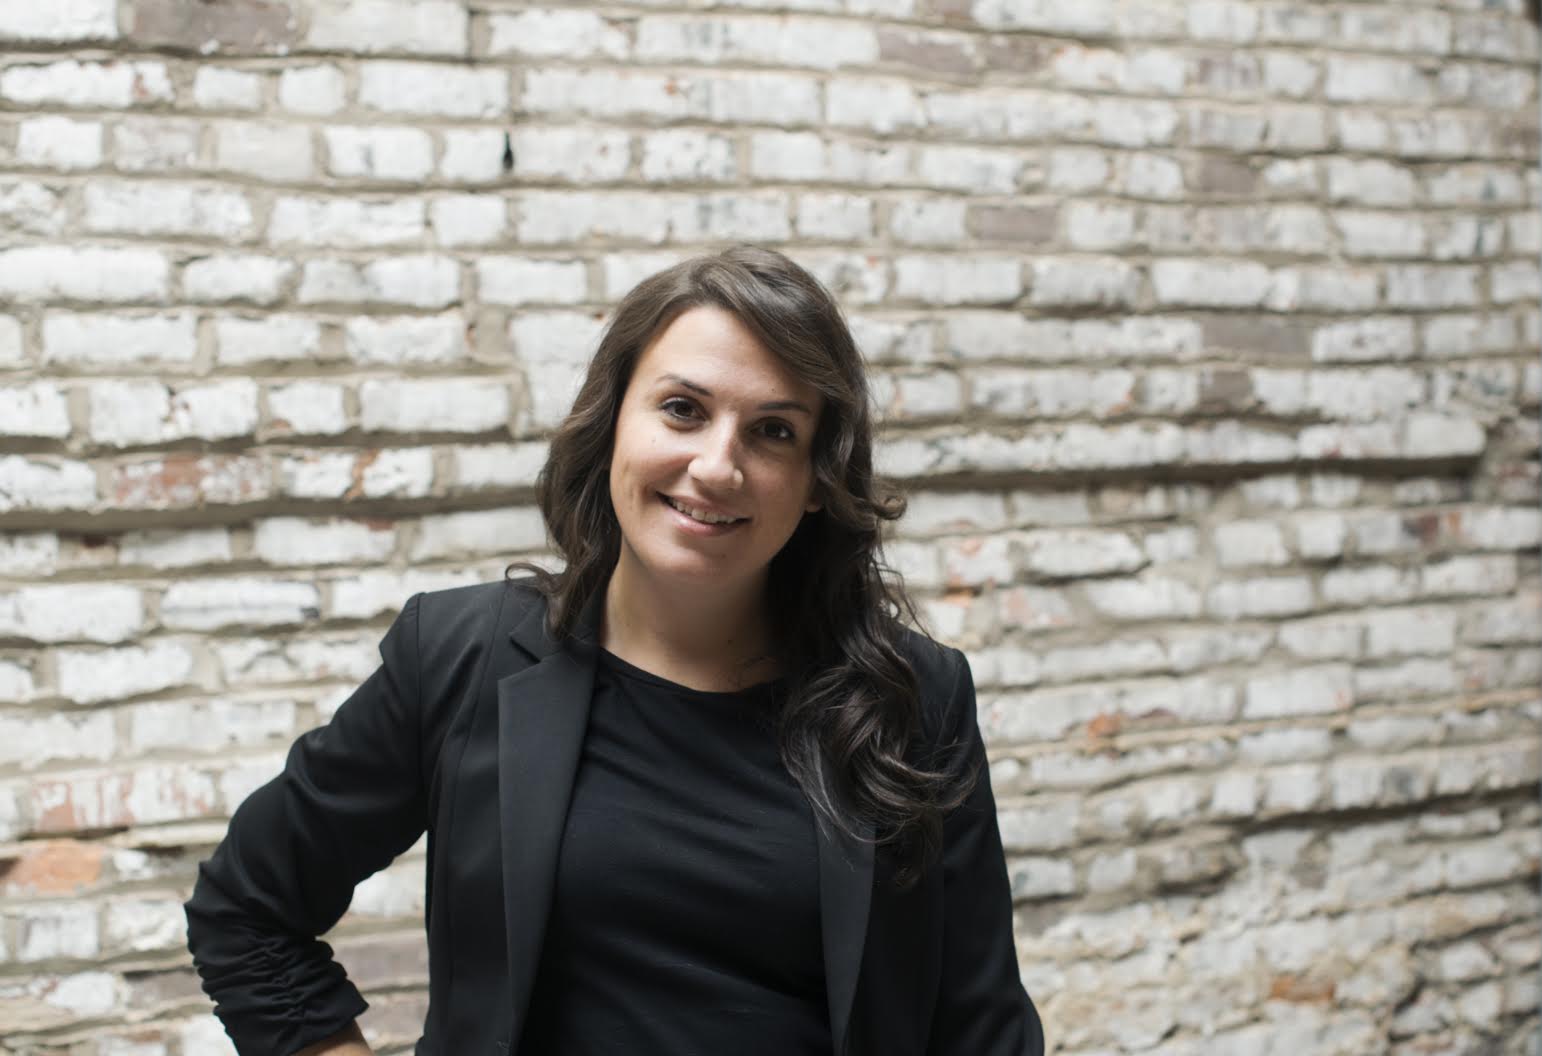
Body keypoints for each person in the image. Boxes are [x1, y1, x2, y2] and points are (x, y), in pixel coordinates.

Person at [184, 245, 1043, 1056]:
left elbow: (983, 1032)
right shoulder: (459, 657)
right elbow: (247, 910)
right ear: (613, 424)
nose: (718, 466)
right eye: (683, 410)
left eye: (774, 432)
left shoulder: (915, 698)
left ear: (819, 478)